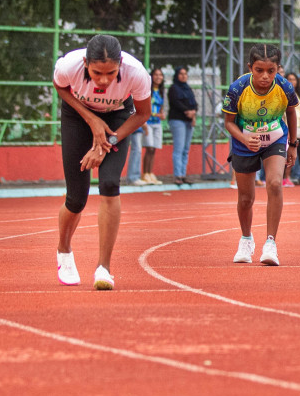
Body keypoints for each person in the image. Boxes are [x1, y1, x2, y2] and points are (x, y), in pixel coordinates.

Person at [52, 34, 152, 290]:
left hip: (119, 117)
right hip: (77, 115)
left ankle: (104, 268)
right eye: (97, 73)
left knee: (109, 185)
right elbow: (60, 87)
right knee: (76, 198)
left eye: (111, 73)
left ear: (121, 64)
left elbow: (142, 114)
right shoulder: (69, 66)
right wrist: (91, 119)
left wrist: (106, 142)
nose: (104, 80)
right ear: (86, 63)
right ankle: (64, 251)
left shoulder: (136, 73)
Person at [222, 44, 299, 266]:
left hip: (274, 139)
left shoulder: (284, 87)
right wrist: (245, 139)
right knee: (246, 198)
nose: (265, 76)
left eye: (271, 71)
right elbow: (228, 123)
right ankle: (246, 239)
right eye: (259, 70)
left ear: (278, 69)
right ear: (250, 68)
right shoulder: (238, 88)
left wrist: (293, 144)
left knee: (275, 184)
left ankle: (271, 243)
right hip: (244, 142)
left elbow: (291, 112)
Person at [167, 65, 197, 183]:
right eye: (181, 74)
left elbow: (194, 103)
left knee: (185, 149)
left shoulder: (188, 89)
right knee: (179, 148)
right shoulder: (173, 88)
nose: (184, 76)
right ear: (176, 75)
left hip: (189, 121)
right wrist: (187, 112)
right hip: (177, 120)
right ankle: (177, 175)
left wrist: (193, 112)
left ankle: (183, 174)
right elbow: (176, 103)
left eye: (185, 74)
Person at [137, 66, 166, 184]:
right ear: (151, 77)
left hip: (157, 123)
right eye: (156, 75)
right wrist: (151, 115)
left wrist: (162, 114)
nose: (158, 77)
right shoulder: (148, 90)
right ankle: (145, 173)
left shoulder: (161, 91)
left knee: (154, 148)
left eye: (160, 75)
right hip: (148, 122)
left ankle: (150, 173)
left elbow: (161, 107)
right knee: (148, 147)